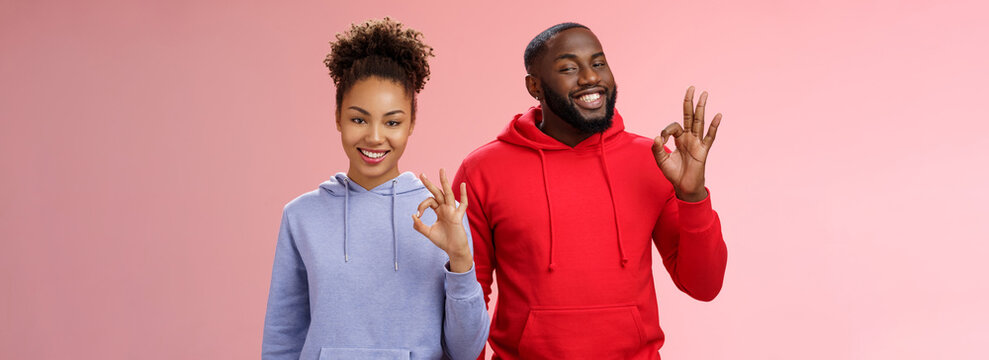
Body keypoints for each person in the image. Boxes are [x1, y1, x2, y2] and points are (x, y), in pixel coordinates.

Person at [453, 22, 728, 359]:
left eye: (598, 63)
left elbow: (704, 286)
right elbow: (468, 296)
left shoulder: (653, 161)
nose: (590, 78)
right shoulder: (483, 170)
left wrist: (693, 196)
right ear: (533, 85)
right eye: (569, 68)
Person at [262, 18, 489, 360]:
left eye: (392, 122)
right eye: (359, 119)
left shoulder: (442, 216)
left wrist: (460, 260)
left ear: (412, 122)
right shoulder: (301, 216)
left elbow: (466, 352)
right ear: (337, 116)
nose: (374, 136)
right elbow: (283, 338)